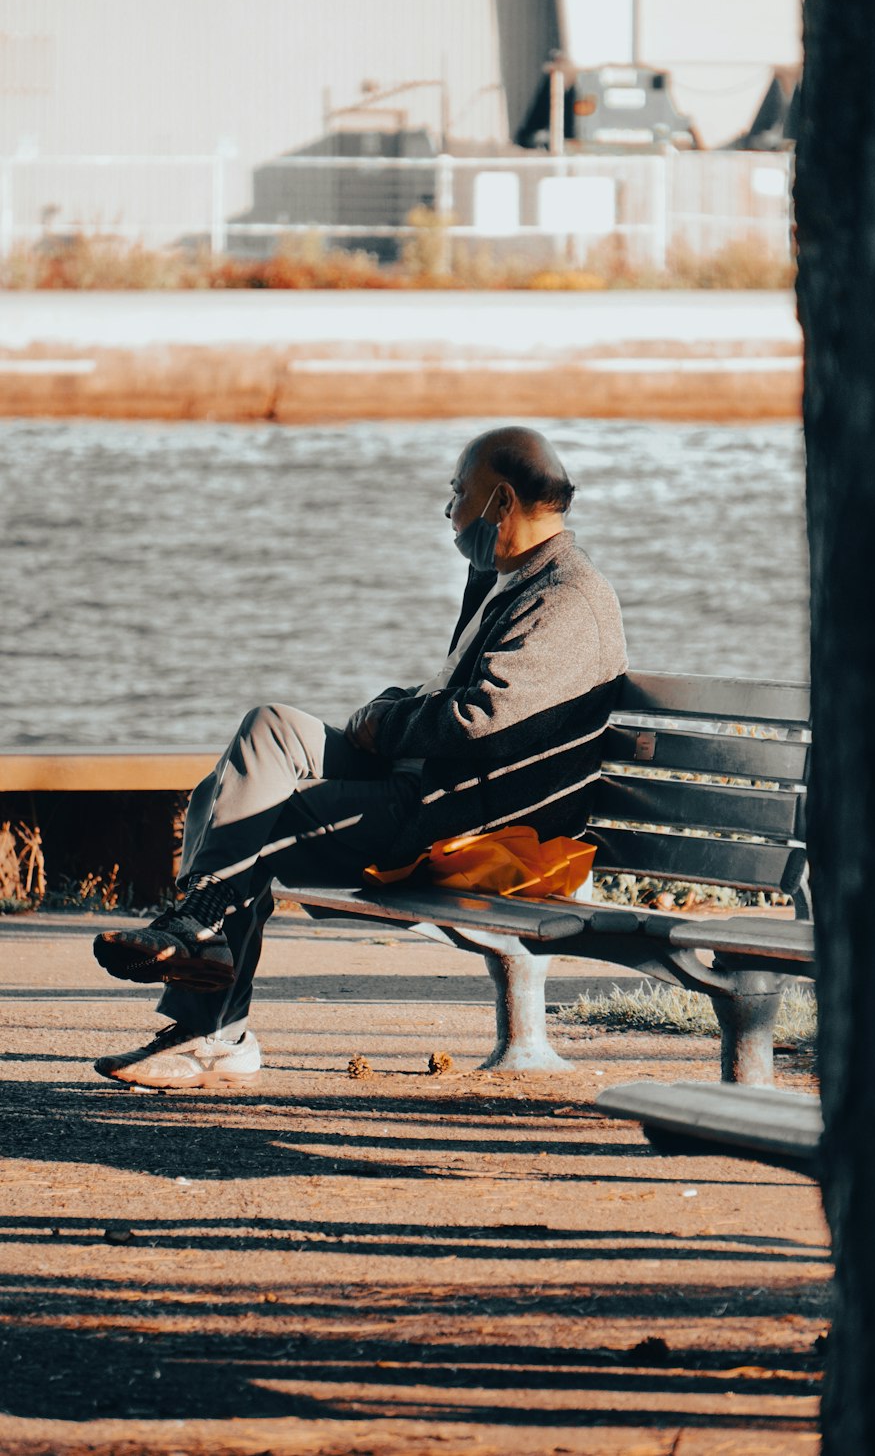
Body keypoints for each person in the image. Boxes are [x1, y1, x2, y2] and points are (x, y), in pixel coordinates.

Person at [93, 426, 628, 1088]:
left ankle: (212, 1020)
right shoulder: (516, 577)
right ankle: (202, 928)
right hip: (432, 785)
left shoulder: (567, 598)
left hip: (464, 820)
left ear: (500, 502)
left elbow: (482, 720)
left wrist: (387, 723)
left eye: (458, 493)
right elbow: (461, 699)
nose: (449, 510)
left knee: (256, 819)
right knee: (269, 732)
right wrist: (394, 708)